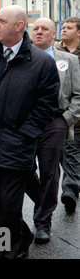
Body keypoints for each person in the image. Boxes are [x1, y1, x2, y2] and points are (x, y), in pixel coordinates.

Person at [0, 5, 60, 259]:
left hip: (17, 149)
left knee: (7, 210)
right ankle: (22, 236)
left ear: (19, 26)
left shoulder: (41, 62)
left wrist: (26, 134)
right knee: (1, 205)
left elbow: (47, 104)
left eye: (2, 21)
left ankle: (5, 252)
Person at [24, 17, 80, 244]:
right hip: (25, 123)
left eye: (44, 29)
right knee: (22, 169)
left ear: (53, 33)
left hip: (55, 121)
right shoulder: (21, 58)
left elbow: (78, 94)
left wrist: (66, 120)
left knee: (50, 171)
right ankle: (43, 200)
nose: (39, 32)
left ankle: (42, 223)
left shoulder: (68, 60)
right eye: (35, 28)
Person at [57, 17, 80, 213]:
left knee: (71, 154)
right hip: (58, 116)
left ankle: (70, 191)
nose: (63, 30)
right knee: (59, 157)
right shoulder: (55, 53)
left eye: (69, 27)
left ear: (78, 32)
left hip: (77, 117)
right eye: (63, 27)